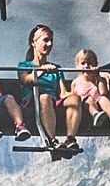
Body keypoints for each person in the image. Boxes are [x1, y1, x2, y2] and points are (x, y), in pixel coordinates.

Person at [19, 25, 81, 160]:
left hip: (52, 101)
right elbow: (26, 80)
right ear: (34, 43)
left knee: (74, 99)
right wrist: (41, 71)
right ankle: (53, 140)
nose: (50, 44)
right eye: (46, 40)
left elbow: (63, 93)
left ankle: (70, 138)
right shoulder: (25, 66)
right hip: (33, 100)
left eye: (51, 41)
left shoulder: (55, 68)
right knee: (45, 97)